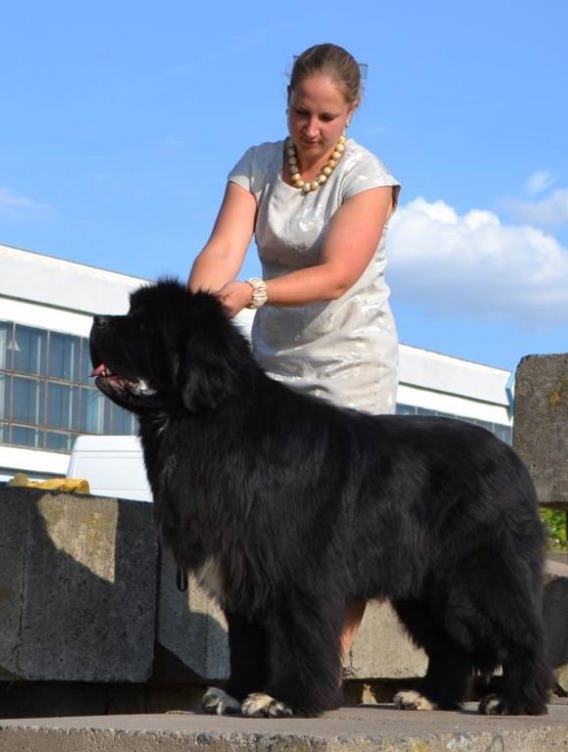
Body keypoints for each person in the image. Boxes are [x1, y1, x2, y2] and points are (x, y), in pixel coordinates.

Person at [188, 42, 400, 661]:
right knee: (267, 521)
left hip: (349, 363)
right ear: (286, 104)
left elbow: (337, 274)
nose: (310, 129)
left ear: (352, 113)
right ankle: (275, 665)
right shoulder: (256, 164)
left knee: (339, 528)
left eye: (326, 118)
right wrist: (194, 314)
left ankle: (325, 662)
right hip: (275, 366)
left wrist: (252, 292)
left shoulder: (369, 180)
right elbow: (221, 249)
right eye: (300, 113)